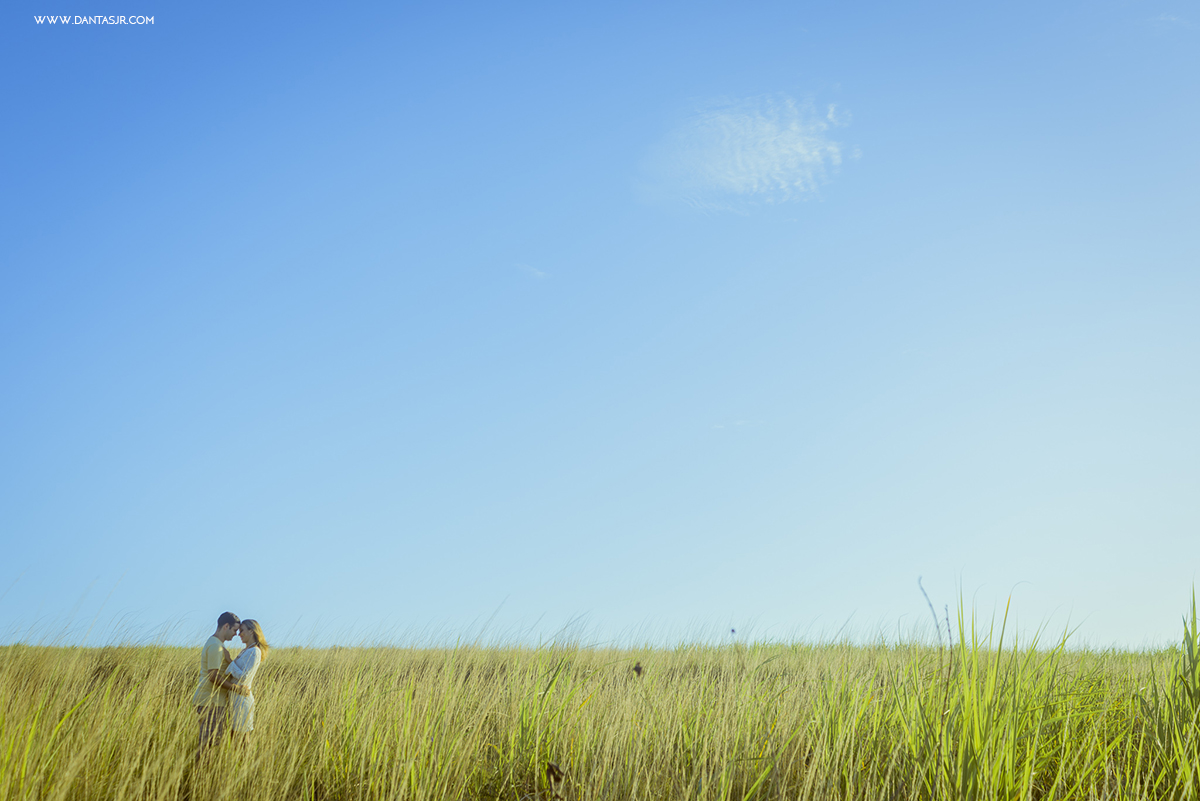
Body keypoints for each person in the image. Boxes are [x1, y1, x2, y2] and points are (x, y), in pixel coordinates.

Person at [191, 612, 248, 761]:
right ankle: (200, 780)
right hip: (211, 701)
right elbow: (213, 676)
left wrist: (229, 660)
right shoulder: (216, 646)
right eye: (235, 630)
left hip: (213, 701)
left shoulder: (217, 644)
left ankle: (202, 778)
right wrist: (237, 689)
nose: (236, 634)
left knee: (210, 743)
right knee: (207, 745)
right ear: (226, 626)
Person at [225, 618, 269, 740]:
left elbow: (244, 677)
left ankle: (247, 760)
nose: (239, 634)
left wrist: (229, 661)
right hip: (236, 699)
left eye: (242, 630)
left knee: (243, 740)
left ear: (251, 631)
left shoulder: (254, 651)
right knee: (235, 739)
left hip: (242, 701)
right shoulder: (247, 650)